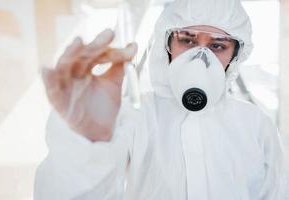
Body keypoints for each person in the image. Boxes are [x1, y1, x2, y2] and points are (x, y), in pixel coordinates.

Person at [34, 0, 286, 199]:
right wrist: (87, 141)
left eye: (218, 46)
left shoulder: (255, 125)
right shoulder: (132, 116)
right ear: (166, 44)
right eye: (187, 40)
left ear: (234, 57)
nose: (201, 58)